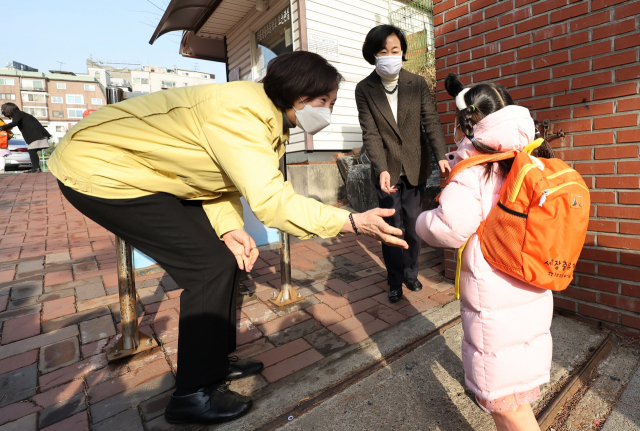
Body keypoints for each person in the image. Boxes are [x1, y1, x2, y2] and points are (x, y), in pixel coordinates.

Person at [48, 51, 408, 426]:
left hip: (144, 171)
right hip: (100, 167)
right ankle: (193, 394)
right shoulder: (241, 115)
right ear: (298, 95)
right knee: (207, 268)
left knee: (227, 257)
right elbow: (273, 202)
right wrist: (351, 220)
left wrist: (228, 228)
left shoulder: (265, 116)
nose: (328, 112)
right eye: (323, 102)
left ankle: (214, 362)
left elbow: (216, 177)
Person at [416, 73, 554, 431]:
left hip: (494, 296)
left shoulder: (476, 168)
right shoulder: (531, 155)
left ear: (465, 124)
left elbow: (448, 227)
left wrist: (420, 220)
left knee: (508, 407)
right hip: (530, 285)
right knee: (515, 392)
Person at [355, 25, 449, 303]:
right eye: (383, 51)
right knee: (390, 227)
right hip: (386, 170)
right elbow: (370, 132)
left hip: (415, 166)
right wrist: (381, 167)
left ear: (403, 53)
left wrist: (441, 155)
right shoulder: (364, 89)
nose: (389, 56)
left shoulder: (416, 84)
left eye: (395, 50)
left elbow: (430, 120)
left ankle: (411, 272)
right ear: (373, 55)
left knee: (412, 223)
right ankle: (394, 279)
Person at [0, 103, 51, 173]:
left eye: (3, 110)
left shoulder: (17, 114)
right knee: (32, 150)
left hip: (37, 135)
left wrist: (3, 127)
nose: (3, 112)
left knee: (32, 150)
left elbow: (14, 123)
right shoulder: (20, 114)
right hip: (37, 135)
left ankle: (36, 168)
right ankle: (36, 168)